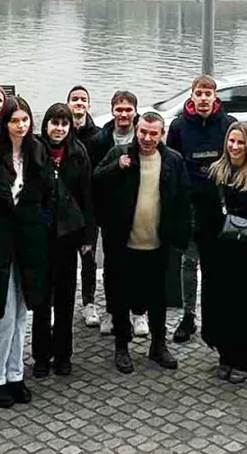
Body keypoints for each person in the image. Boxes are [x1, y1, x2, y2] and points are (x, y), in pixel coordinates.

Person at [0, 96, 54, 409]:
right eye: (15, 120)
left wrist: (39, 224)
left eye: (25, 119)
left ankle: (15, 373)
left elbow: (47, 196)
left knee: (21, 314)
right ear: (4, 124)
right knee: (2, 314)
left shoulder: (38, 152)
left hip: (29, 243)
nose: (21, 125)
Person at [94, 112, 191, 374]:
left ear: (162, 134)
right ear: (136, 130)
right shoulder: (119, 154)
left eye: (153, 133)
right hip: (124, 244)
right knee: (121, 297)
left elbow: (183, 200)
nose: (147, 138)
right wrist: (117, 167)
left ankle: (158, 345)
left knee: (158, 298)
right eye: (143, 132)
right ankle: (122, 346)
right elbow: (95, 181)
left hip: (158, 244)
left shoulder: (173, 160)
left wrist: (180, 237)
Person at [197, 122, 247, 384]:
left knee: (244, 308)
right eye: (231, 141)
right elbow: (204, 215)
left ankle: (243, 359)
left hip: (246, 256)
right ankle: (224, 355)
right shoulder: (215, 173)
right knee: (220, 306)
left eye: (241, 142)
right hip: (218, 253)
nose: (235, 146)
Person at [166, 75, 237, 344]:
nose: (204, 98)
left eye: (209, 93)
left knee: (215, 264)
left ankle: (213, 315)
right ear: (192, 96)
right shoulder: (179, 126)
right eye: (199, 93)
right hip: (190, 204)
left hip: (219, 204)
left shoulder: (228, 124)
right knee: (189, 261)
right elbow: (172, 163)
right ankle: (188, 316)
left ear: (215, 96)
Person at [33, 103, 95, 378]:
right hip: (42, 235)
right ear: (46, 124)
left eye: (64, 124)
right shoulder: (35, 151)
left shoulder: (79, 154)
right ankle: (41, 355)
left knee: (66, 298)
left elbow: (86, 197)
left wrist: (87, 237)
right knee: (42, 300)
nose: (58, 129)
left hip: (68, 236)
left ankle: (64, 354)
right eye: (54, 123)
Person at [88, 91, 144, 336]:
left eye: (128, 109)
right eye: (119, 109)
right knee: (112, 266)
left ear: (134, 111)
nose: (123, 114)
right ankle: (112, 311)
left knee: (138, 263)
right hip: (111, 212)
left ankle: (139, 313)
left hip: (141, 210)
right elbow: (95, 177)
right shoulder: (101, 139)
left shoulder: (145, 135)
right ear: (112, 111)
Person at [67, 85, 102, 328]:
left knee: (89, 257)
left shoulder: (98, 137)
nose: (79, 103)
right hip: (64, 209)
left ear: (89, 105)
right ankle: (63, 303)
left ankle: (89, 302)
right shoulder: (60, 131)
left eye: (83, 99)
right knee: (63, 260)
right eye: (75, 99)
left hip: (89, 206)